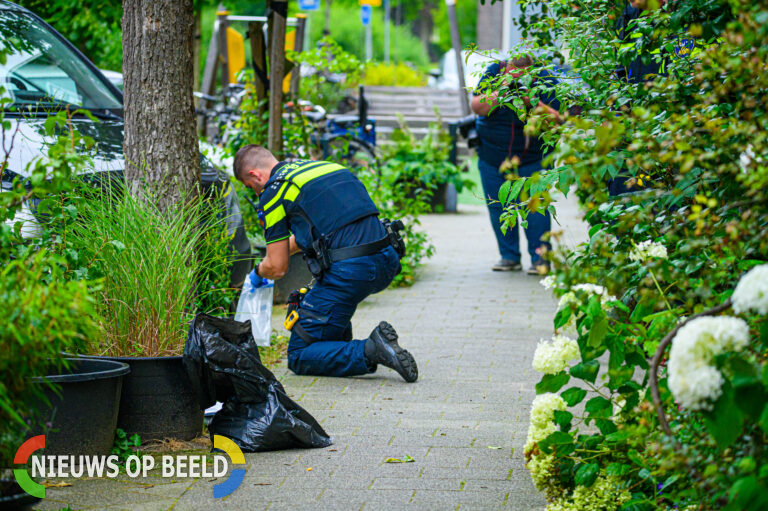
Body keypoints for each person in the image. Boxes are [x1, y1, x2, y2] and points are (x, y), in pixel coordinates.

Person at [232, 145, 418, 383]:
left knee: (299, 355)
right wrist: (271, 255)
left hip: (352, 272)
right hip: (386, 259)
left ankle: (372, 349)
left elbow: (277, 268)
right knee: (323, 309)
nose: (257, 193)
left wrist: (257, 273)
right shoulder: (324, 168)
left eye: (252, 188)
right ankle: (336, 341)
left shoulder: (275, 191)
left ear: (255, 175)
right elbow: (313, 235)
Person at [471, 55, 561, 275]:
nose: (518, 80)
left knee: (536, 208)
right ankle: (508, 257)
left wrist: (534, 103)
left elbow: (559, 119)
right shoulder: (494, 71)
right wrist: (500, 92)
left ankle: (540, 259)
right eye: (513, 75)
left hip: (533, 158)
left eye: (524, 76)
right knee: (498, 206)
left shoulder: (545, 77)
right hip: (492, 157)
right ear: (507, 68)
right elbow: (476, 106)